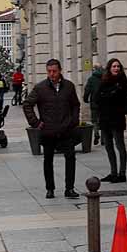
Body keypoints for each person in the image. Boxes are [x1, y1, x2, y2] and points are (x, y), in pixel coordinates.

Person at [23, 59, 81, 199]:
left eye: (54, 71)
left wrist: (73, 121)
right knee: (48, 160)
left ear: (60, 70)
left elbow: (75, 105)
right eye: (49, 71)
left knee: (70, 158)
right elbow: (27, 104)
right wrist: (36, 122)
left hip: (66, 130)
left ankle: (69, 188)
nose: (52, 74)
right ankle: (50, 188)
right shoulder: (40, 88)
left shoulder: (69, 86)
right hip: (48, 130)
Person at [95, 59, 127, 183]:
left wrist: (108, 95)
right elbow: (98, 98)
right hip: (105, 118)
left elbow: (120, 98)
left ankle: (122, 173)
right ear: (109, 68)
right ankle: (113, 172)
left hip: (117, 118)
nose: (116, 68)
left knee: (120, 145)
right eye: (114, 66)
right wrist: (109, 94)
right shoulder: (104, 81)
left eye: (118, 66)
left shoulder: (122, 81)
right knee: (108, 146)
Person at [83, 64, 104, 145]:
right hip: (104, 103)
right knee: (103, 120)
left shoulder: (91, 79)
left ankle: (96, 134)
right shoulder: (104, 78)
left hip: (94, 103)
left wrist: (85, 99)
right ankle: (103, 140)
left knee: (95, 120)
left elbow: (87, 90)